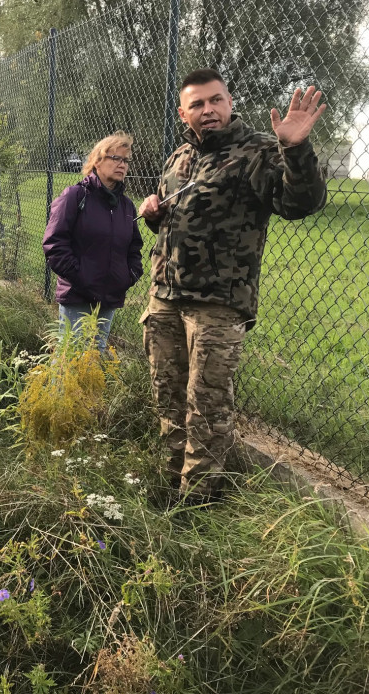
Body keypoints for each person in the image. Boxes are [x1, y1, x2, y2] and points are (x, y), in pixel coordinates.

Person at [137, 69, 327, 503]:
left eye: (216, 100)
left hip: (218, 305)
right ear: (183, 113)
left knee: (207, 407)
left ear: (229, 102)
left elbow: (299, 202)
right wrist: (153, 216)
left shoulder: (257, 152)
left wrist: (295, 149)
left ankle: (197, 501)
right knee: (167, 398)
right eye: (198, 104)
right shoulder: (179, 158)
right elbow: (176, 221)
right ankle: (169, 484)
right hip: (165, 297)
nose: (209, 110)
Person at [42, 132, 144, 351]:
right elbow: (54, 244)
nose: (122, 165)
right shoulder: (75, 196)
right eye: (116, 158)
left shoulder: (126, 206)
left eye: (125, 160)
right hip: (78, 295)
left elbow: (134, 247)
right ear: (97, 161)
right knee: (70, 358)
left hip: (109, 297)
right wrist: (81, 277)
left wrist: (129, 276)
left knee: (95, 358)